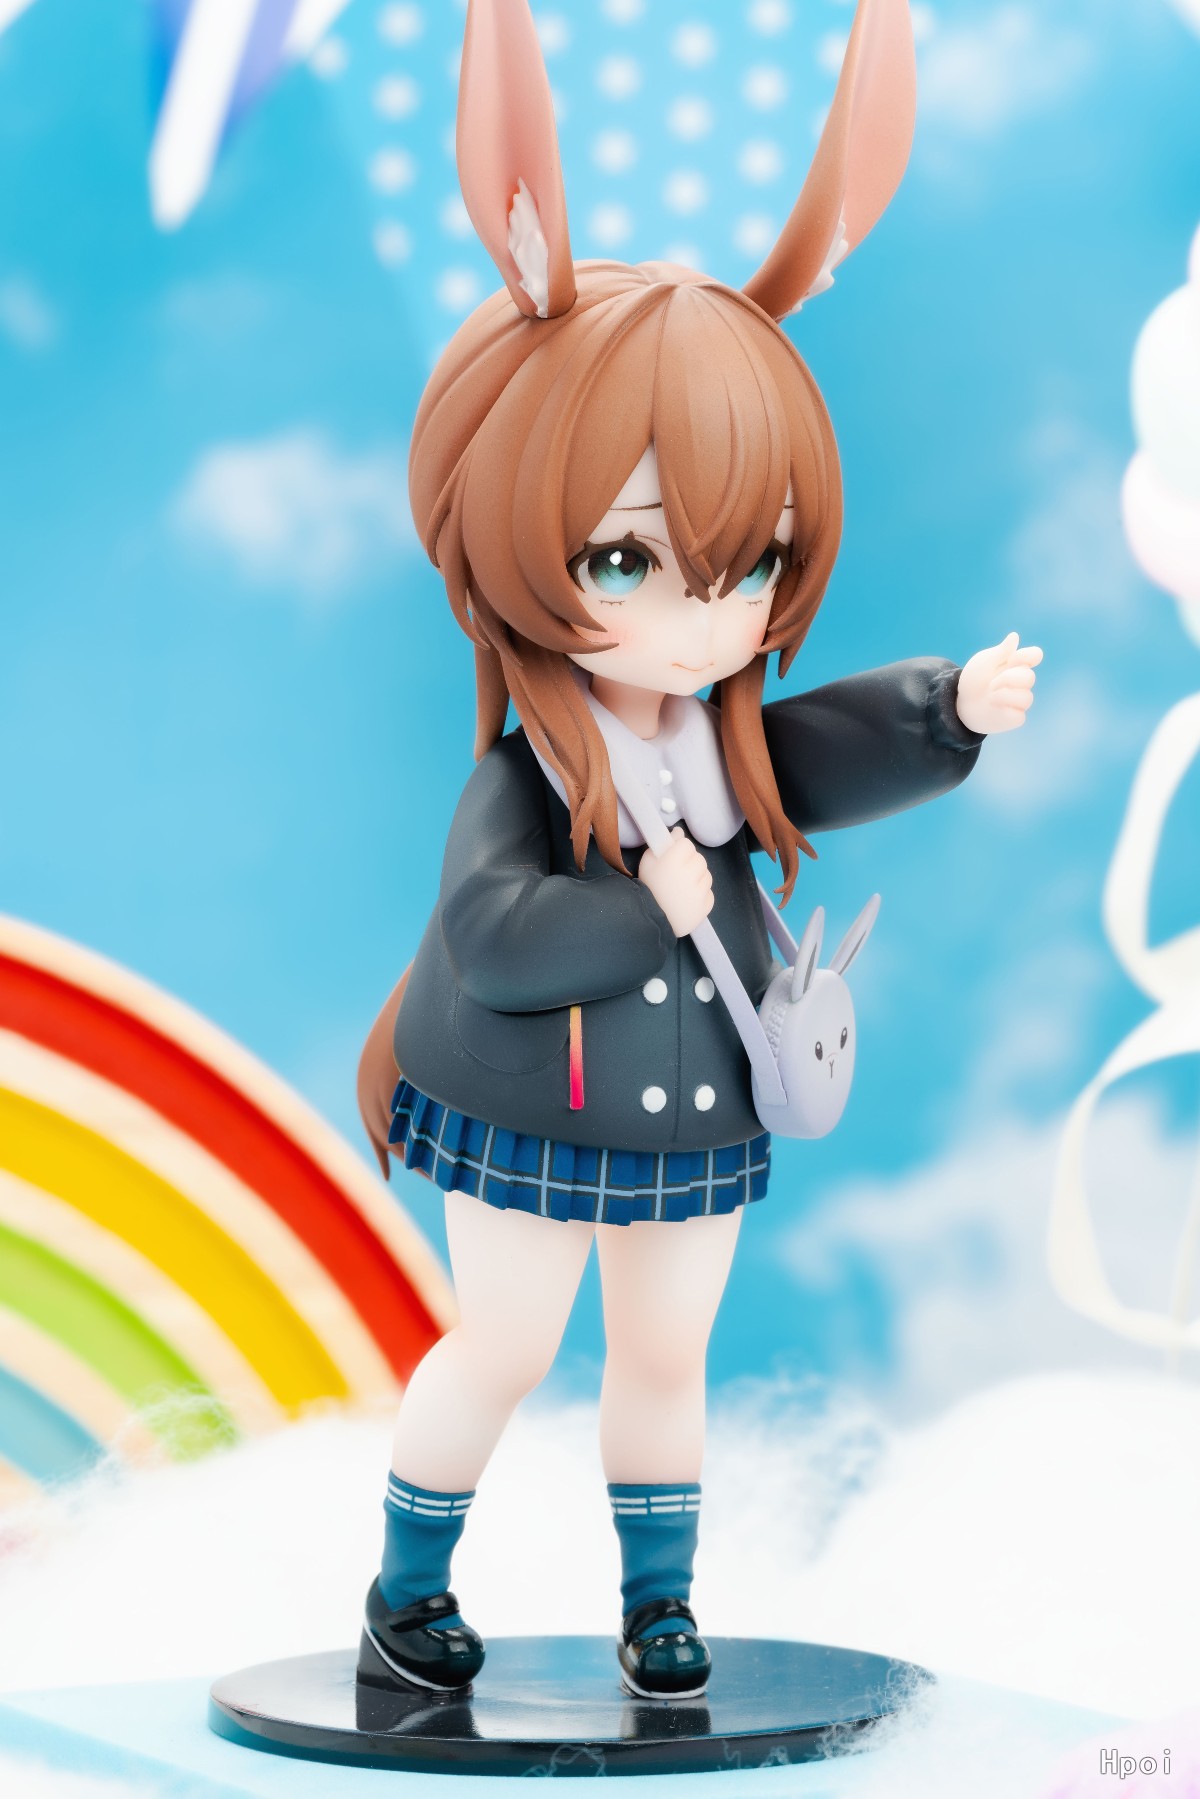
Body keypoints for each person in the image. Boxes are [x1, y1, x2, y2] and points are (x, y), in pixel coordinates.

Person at [355, 0, 1042, 1701]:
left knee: (667, 1358)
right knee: (507, 1346)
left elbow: (811, 753)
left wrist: (945, 708)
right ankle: (404, 1593)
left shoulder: (722, 754)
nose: (699, 616)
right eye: (627, 560)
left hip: (697, 1113)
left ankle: (659, 1606)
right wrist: (643, 912)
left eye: (752, 565)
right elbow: (492, 939)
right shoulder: (530, 775)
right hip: (530, 1111)